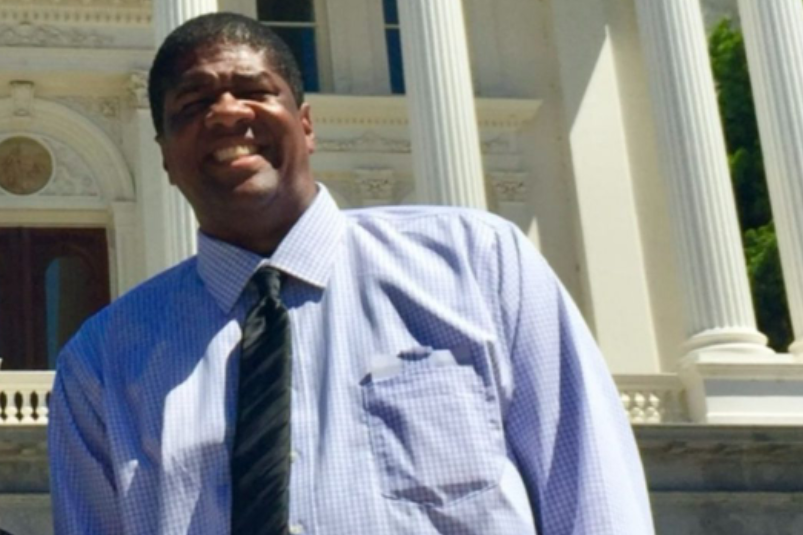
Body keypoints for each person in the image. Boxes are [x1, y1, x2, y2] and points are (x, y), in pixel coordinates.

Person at [48, 12, 655, 535]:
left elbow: (592, 494)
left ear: (307, 124)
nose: (227, 112)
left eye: (254, 90)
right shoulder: (104, 366)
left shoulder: (477, 264)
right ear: (163, 154)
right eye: (193, 103)